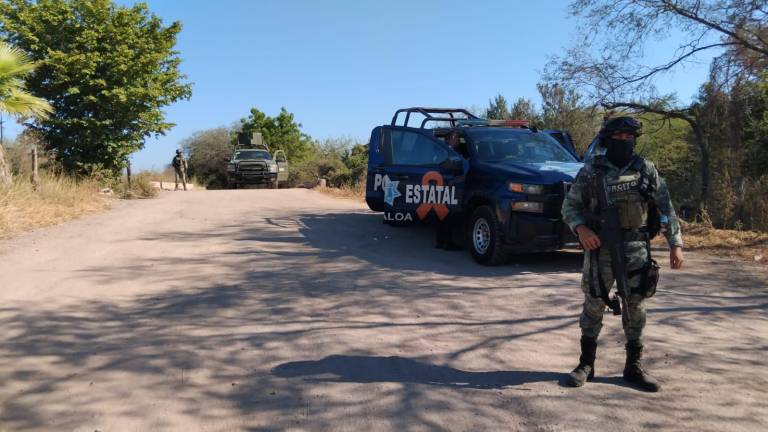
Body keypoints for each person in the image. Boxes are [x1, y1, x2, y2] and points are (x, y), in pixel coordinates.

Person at [561, 117, 684, 392]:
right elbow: (569, 206)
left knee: (636, 306)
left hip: (636, 248)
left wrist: (675, 243)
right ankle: (586, 364)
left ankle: (634, 367)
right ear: (608, 139)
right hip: (600, 249)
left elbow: (666, 206)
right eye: (619, 136)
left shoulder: (646, 170)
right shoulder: (593, 170)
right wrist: (581, 230)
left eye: (630, 136)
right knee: (594, 303)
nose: (625, 141)